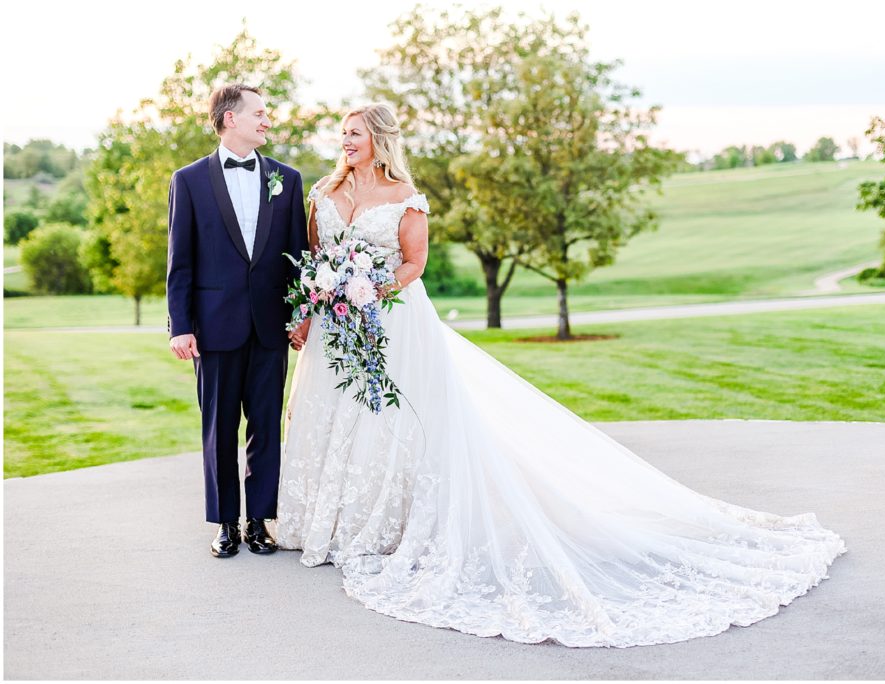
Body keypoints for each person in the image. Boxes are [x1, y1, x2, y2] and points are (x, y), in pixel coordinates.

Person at [278, 102, 847, 647]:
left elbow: (414, 264)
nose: (346, 141)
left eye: (355, 133)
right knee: (332, 414)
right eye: (343, 133)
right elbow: (311, 259)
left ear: (380, 139)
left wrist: (371, 289)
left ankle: (384, 528)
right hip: (334, 326)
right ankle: (325, 522)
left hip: (395, 325)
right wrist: (312, 307)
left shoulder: (407, 198)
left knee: (390, 420)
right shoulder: (324, 192)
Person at [167, 84, 308, 558]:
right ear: (231, 119)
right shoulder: (187, 181)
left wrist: (299, 316)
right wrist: (180, 325)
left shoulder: (287, 179)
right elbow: (180, 261)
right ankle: (226, 522)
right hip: (213, 327)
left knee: (266, 427)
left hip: (271, 326)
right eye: (260, 114)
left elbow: (297, 258)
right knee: (219, 428)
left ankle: (259, 521)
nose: (268, 121)